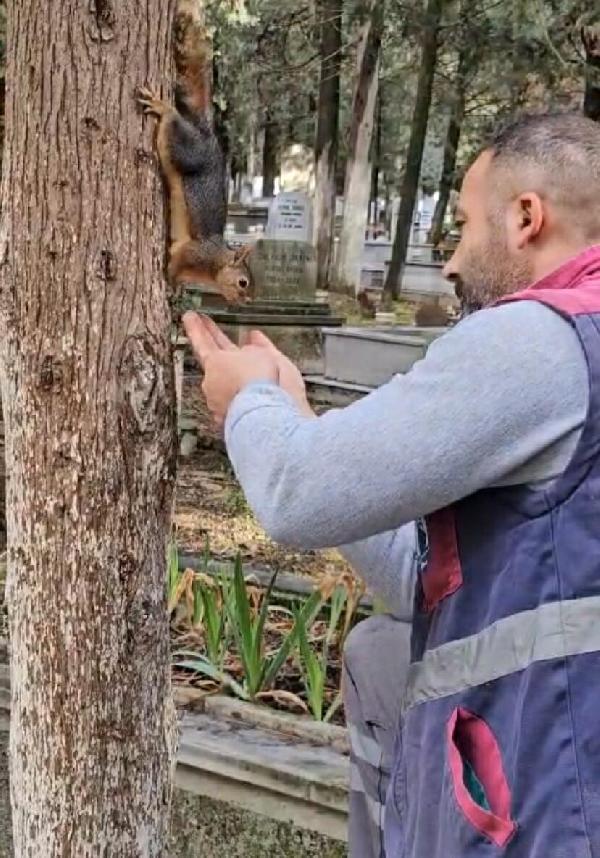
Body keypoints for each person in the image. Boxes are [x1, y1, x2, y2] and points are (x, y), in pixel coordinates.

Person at [183, 112, 600, 857]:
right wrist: (300, 419)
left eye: (466, 226)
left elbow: (294, 494)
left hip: (551, 803)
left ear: (526, 218)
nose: (449, 264)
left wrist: (248, 403)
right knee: (380, 651)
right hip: (554, 764)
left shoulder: (539, 339)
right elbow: (424, 579)